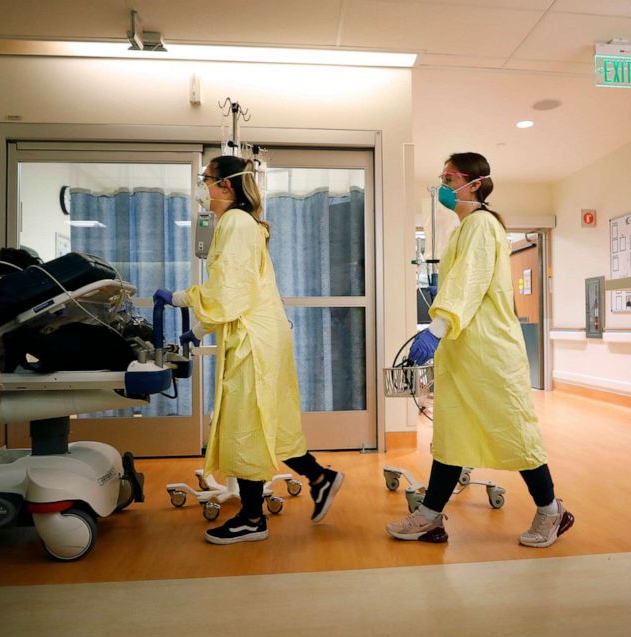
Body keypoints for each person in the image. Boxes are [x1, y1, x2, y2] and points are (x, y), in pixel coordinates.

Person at [386, 152, 574, 547]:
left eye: (449, 179)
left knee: (513, 433)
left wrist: (436, 327)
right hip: (464, 352)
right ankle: (429, 517)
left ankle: (552, 511)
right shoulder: (465, 229)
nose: (444, 187)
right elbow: (467, 282)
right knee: (453, 433)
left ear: (475, 183)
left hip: (489, 354)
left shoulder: (482, 225)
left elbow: (469, 283)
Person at [154, 155, 344, 544]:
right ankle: (320, 477)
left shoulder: (237, 224)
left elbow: (229, 292)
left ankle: (253, 518)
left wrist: (180, 298)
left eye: (205, 179)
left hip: (253, 341)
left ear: (226, 185)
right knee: (266, 423)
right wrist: (200, 328)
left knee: (246, 425)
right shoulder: (241, 224)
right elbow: (241, 288)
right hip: (258, 332)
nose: (201, 187)